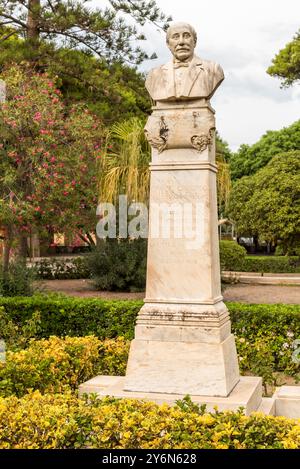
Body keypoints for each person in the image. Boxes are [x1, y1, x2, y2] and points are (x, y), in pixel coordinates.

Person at [145, 22, 224, 102]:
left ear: (195, 42)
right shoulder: (154, 75)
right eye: (175, 37)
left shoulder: (213, 69)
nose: (181, 42)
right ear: (168, 44)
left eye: (186, 36)